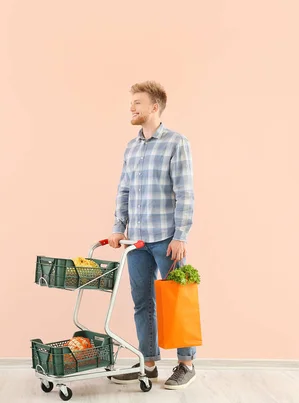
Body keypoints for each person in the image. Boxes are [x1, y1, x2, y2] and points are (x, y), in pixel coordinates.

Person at [108, 81, 196, 390]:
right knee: (141, 302)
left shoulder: (176, 142)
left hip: (167, 239)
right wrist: (119, 228)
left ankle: (186, 364)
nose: (131, 108)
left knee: (177, 300)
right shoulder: (132, 147)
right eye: (131, 102)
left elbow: (185, 193)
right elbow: (124, 190)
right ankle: (147, 363)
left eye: (137, 103)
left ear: (154, 107)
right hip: (137, 243)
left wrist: (181, 235)